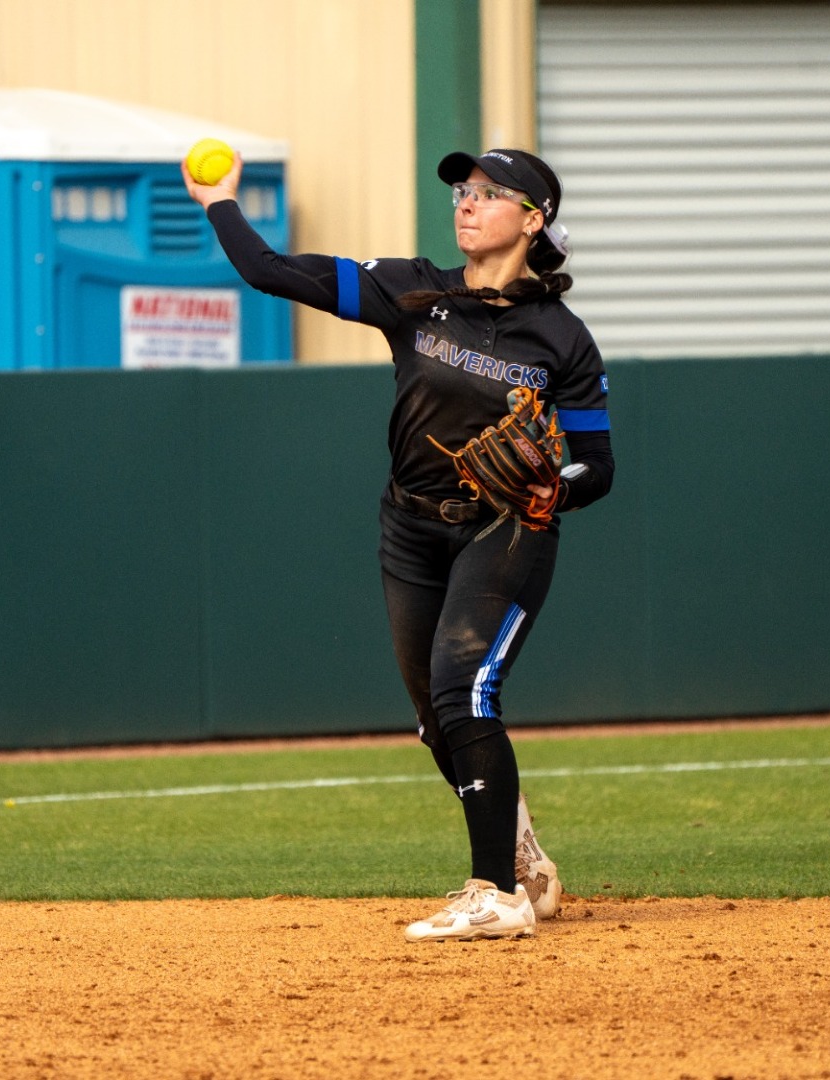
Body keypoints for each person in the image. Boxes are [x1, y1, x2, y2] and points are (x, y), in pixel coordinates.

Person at [186, 147, 614, 941]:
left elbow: (599, 463)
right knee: (435, 718)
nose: (467, 201)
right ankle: (525, 864)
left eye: (489, 192)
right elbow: (274, 272)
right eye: (462, 189)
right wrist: (219, 202)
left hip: (507, 526)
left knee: (465, 690)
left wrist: (560, 484)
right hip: (411, 525)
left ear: (533, 217)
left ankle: (494, 895)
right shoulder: (413, 290)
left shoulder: (562, 337)